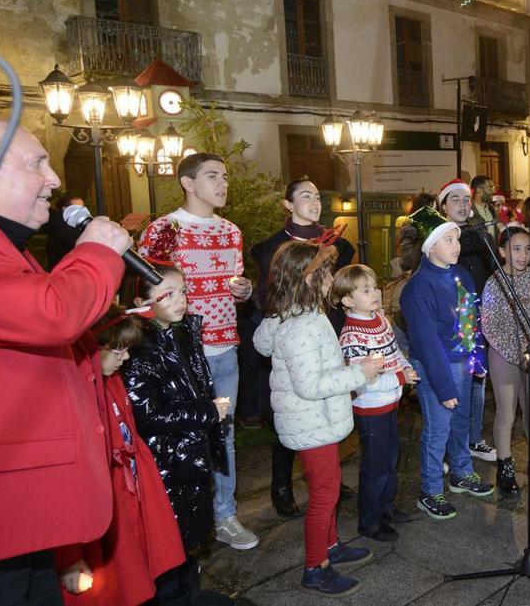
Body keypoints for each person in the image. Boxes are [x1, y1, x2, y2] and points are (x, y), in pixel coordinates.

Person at [0, 116, 131, 602]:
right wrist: (96, 255)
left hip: (17, 508)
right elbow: (51, 314)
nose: (53, 179)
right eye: (38, 163)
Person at [137, 152, 258, 551]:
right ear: (188, 183)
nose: (223, 183)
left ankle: (224, 515)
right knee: (181, 436)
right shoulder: (163, 229)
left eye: (224, 176)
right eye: (212, 176)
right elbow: (146, 291)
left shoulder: (231, 231)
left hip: (225, 348)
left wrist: (244, 292)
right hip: (182, 353)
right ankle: (178, 521)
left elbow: (234, 283)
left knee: (222, 435)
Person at [253, 243, 379, 594]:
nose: (330, 278)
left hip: (317, 421)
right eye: (325, 272)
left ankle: (331, 546)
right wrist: (359, 373)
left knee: (331, 487)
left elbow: (264, 343)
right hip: (311, 421)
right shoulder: (302, 326)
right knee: (324, 495)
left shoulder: (298, 314)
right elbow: (310, 386)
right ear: (309, 279)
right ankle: (315, 567)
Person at [53, 307, 186, 606]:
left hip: (127, 494)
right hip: (101, 507)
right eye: (118, 350)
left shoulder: (112, 380)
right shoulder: (76, 395)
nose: (125, 358)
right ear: (89, 347)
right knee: (114, 584)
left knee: (137, 574)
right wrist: (70, 557)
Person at [124, 266, 233, 605]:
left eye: (183, 291)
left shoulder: (183, 332)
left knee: (190, 534)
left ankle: (190, 592)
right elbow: (147, 414)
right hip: (165, 460)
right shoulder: (140, 348)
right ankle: (173, 596)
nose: (180, 300)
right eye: (168, 293)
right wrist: (206, 413)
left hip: (191, 451)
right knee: (169, 538)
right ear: (142, 302)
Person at [249, 177, 356, 518]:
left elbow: (342, 288)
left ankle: (328, 478)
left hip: (329, 329)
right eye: (304, 195)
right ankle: (281, 485)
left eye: (316, 195)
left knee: (330, 410)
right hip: (293, 334)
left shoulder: (341, 246)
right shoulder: (272, 248)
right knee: (294, 409)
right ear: (288, 204)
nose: (314, 201)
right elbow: (269, 297)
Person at [401, 207, 495, 520]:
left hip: (463, 362)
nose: (456, 244)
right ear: (430, 246)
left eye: (457, 238)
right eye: (448, 239)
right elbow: (427, 343)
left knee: (462, 421)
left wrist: (478, 358)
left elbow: (473, 320)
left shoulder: (462, 275)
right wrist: (442, 386)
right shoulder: (418, 287)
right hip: (436, 368)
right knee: (438, 429)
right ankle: (429, 490)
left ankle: (461, 472)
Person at [334, 264, 419, 542]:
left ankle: (386, 508)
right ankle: (369, 521)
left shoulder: (381, 320)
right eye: (366, 290)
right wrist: (400, 378)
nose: (376, 293)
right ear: (348, 300)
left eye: (375, 286)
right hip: (371, 408)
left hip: (390, 403)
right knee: (375, 466)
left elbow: (395, 352)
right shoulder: (351, 336)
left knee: (390, 461)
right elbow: (362, 380)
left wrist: (406, 369)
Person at [479, 225, 530, 497]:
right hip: (505, 356)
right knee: (506, 413)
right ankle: (505, 466)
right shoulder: (495, 282)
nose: (523, 255)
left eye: (528, 249)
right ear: (503, 251)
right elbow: (492, 325)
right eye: (516, 249)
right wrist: (518, 355)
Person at [439, 179, 499, 463]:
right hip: (451, 322)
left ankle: (473, 439)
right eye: (455, 200)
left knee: (478, 380)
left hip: (479, 317)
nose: (463, 205)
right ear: (443, 206)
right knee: (454, 383)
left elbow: (494, 273)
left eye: (466, 200)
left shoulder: (480, 233)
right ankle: (451, 449)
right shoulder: (436, 238)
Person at [43, 192, 84, 269]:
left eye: (82, 208)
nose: (82, 212)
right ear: (65, 209)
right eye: (77, 208)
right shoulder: (65, 228)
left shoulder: (59, 224)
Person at [468, 175, 502, 240]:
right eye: (490, 187)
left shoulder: (492, 209)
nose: (494, 191)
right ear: (479, 190)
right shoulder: (468, 212)